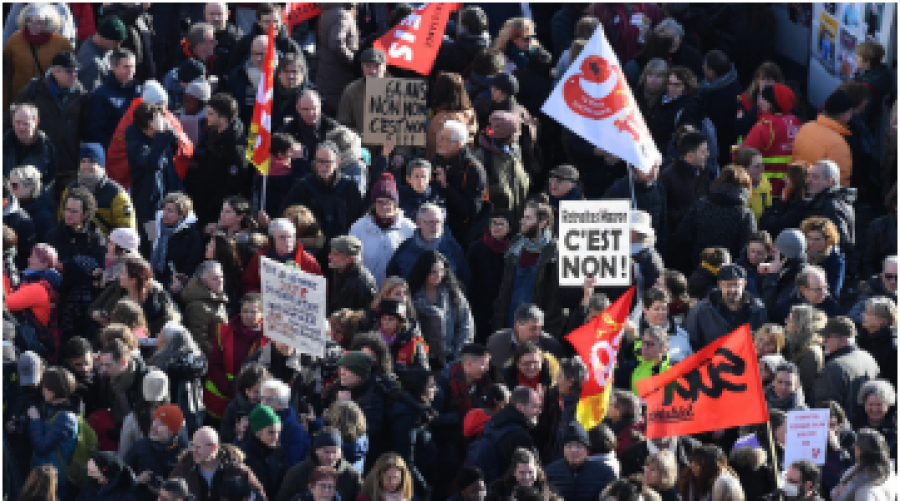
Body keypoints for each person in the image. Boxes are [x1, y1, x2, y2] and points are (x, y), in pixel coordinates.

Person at [12, 50, 88, 178]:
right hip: (37, 162)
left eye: (76, 71)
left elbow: (85, 130)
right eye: (69, 71)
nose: (74, 75)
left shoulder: (81, 96)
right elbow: (11, 121)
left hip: (68, 164)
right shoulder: (33, 91)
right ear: (55, 72)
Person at [278, 141, 364, 240]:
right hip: (311, 246)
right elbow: (285, 215)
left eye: (328, 162)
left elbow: (358, 220)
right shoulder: (302, 187)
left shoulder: (349, 187)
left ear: (337, 162)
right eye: (320, 162)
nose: (323, 166)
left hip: (341, 246)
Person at [677, 165, 757, 268]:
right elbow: (748, 250)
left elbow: (683, 237)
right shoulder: (745, 214)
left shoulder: (700, 206)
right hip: (730, 276)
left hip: (700, 268)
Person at [408, 250, 474, 367]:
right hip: (419, 360)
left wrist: (459, 354)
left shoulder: (453, 293)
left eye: (441, 271)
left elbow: (466, 325)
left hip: (450, 357)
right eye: (434, 272)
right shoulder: (411, 295)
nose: (438, 275)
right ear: (424, 271)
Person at [204, 294, 266, 421]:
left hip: (256, 401)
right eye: (245, 311)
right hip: (223, 400)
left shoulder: (269, 337)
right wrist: (230, 390)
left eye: (253, 312)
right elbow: (214, 364)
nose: (248, 315)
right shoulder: (225, 332)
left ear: (262, 314)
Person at [350, 173, 416, 289]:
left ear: (395, 204)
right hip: (367, 291)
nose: (384, 206)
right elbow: (351, 263)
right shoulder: (358, 227)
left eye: (388, 202)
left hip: (398, 292)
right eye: (380, 202)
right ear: (373, 204)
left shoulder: (409, 228)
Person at [125, 101, 184, 231]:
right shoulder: (136, 146)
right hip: (148, 209)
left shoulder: (158, 138)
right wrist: (160, 135)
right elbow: (153, 163)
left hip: (167, 199)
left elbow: (175, 148)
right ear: (145, 127)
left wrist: (169, 131)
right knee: (151, 241)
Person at [684, 264, 768, 351]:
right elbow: (690, 343)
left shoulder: (758, 309)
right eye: (728, 285)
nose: (732, 290)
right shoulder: (701, 309)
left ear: (744, 284)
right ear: (719, 284)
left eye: (736, 285)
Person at [3, 5, 75, 106]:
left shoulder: (62, 43)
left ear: (48, 23)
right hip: (19, 100)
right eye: (30, 21)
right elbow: (6, 75)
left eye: (38, 22)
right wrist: (4, 104)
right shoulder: (14, 40)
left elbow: (71, 74)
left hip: (49, 103)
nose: (33, 25)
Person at [59, 144, 136, 237]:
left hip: (106, 248)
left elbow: (127, 232)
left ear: (102, 166)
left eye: (92, 161)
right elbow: (61, 220)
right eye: (83, 161)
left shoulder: (116, 194)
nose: (86, 166)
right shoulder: (70, 189)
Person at [385, 203, 470, 288]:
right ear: (419, 223)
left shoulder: (453, 249)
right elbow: (391, 279)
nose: (435, 226)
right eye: (430, 222)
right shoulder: (405, 249)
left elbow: (464, 281)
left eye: (438, 222)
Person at [169, 426, 266, 501]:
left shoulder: (238, 471)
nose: (193, 450)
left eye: (198, 447)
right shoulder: (182, 471)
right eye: (192, 445)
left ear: (214, 448)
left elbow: (260, 496)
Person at [659, 131, 710, 272]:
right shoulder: (668, 177)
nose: (708, 155)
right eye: (703, 151)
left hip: (698, 241)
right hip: (678, 247)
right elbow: (663, 212)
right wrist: (688, 216)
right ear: (689, 155)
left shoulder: (703, 172)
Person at [90, 255, 181, 334]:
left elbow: (168, 323)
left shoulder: (155, 303)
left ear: (133, 280)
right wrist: (96, 315)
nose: (118, 275)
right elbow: (92, 308)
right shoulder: (116, 288)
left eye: (123, 273)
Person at [741, 83, 802, 196]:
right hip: (790, 190)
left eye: (763, 99)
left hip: (765, 190)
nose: (759, 103)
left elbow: (742, 157)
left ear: (772, 104)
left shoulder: (765, 127)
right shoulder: (797, 123)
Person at [26, 366, 79, 496]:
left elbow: (42, 447)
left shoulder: (66, 418)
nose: (42, 390)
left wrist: (35, 420)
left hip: (57, 482)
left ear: (52, 392)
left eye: (44, 387)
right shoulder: (50, 409)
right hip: (44, 478)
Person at [4, 243, 63, 360]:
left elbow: (5, 304)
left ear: (45, 263)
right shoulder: (43, 282)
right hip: (40, 341)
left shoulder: (37, 288)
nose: (29, 259)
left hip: (32, 344)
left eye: (34, 257)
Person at [147, 322, 207, 435]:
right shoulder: (195, 362)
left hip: (167, 419)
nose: (157, 335)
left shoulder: (163, 365)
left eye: (161, 334)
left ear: (168, 342)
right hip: (194, 415)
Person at [814, 317, 880, 419]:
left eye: (827, 337)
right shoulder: (869, 357)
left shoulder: (833, 368)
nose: (823, 341)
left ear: (844, 340)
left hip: (841, 430)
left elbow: (825, 410)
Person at [275, 427, 363, 501]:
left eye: (335, 452)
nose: (331, 457)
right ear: (316, 451)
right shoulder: (296, 474)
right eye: (326, 452)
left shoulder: (352, 475)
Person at [123, 404, 188, 501]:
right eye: (154, 420)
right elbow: (118, 479)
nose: (154, 425)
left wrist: (167, 489)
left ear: (172, 430)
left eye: (161, 423)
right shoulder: (140, 446)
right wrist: (136, 479)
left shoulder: (184, 453)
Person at [241, 218, 322, 294]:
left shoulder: (308, 261)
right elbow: (248, 286)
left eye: (290, 237)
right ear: (272, 240)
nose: (288, 241)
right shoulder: (259, 259)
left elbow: (319, 290)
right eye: (282, 237)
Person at [474, 110, 531, 217]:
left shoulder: (515, 150)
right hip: (496, 222)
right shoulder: (482, 156)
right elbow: (476, 191)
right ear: (504, 135)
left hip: (516, 215)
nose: (519, 135)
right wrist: (499, 191)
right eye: (515, 132)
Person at [278, 89, 339, 183]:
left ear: (321, 107)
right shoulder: (288, 130)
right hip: (297, 179)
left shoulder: (332, 128)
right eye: (305, 109)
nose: (310, 113)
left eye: (314, 108)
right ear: (297, 109)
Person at [544, 421, 616, 501]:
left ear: (587, 449)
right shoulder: (550, 472)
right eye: (569, 446)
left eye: (579, 445)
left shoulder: (605, 473)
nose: (573, 450)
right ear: (563, 449)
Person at [487, 304, 562, 379]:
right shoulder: (497, 342)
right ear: (517, 326)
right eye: (533, 328)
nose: (538, 333)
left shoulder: (551, 346)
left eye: (540, 328)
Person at [84, 48, 139, 149]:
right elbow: (94, 131)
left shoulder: (139, 92)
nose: (130, 71)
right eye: (126, 67)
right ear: (114, 67)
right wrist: (116, 148)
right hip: (114, 154)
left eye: (132, 67)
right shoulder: (101, 95)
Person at [537, 356, 587, 463]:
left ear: (571, 381)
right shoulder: (553, 397)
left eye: (559, 376)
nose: (556, 380)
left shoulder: (582, 407)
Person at [699, 50, 742, 166]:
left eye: (705, 66)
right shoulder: (736, 86)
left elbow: (715, 123)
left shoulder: (717, 95)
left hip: (721, 146)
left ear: (712, 73)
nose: (702, 67)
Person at [647, 66, 705, 153]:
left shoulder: (689, 108)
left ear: (686, 86)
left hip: (669, 156)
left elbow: (684, 140)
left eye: (677, 85)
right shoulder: (660, 100)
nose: (672, 88)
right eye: (670, 83)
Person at [830, 429, 898, 500]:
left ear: (860, 450)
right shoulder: (890, 474)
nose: (854, 448)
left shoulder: (864, 489)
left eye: (855, 445)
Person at [314, 4, 358, 114]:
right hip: (339, 73)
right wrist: (354, 61)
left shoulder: (327, 12)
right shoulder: (342, 15)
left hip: (327, 70)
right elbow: (336, 43)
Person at [759, 229, 811, 319]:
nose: (773, 253)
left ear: (784, 255)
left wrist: (772, 276)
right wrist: (761, 275)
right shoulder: (788, 268)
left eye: (776, 252)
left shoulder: (800, 277)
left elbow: (771, 308)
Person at [239, 404, 288, 499]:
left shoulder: (278, 452)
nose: (276, 437)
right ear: (257, 433)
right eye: (271, 432)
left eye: (278, 432)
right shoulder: (243, 456)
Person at [426, 72, 478, 159]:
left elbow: (432, 147)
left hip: (441, 164)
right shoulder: (471, 113)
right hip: (464, 162)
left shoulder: (441, 118)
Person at [3, 103, 58, 186]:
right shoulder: (3, 143)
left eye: (26, 124)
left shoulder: (46, 148)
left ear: (36, 122)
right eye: (17, 122)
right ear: (12, 122)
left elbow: (50, 182)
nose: (21, 127)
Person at [337, 48, 387, 136]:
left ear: (384, 67)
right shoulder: (351, 91)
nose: (372, 71)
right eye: (368, 66)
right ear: (362, 67)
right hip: (360, 145)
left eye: (376, 66)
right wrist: (361, 137)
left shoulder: (399, 90)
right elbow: (343, 124)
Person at [219, 363, 270, 446]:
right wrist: (236, 432)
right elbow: (224, 438)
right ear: (246, 391)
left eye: (261, 391)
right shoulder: (234, 407)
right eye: (255, 392)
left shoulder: (272, 406)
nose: (258, 396)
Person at [325, 235, 376, 314]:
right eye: (330, 252)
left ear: (349, 259)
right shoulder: (338, 269)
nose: (329, 256)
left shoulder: (363, 284)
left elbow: (365, 316)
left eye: (335, 254)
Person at [76, 16, 127, 92]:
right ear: (102, 38)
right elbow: (93, 97)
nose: (118, 46)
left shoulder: (101, 47)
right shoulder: (92, 64)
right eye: (116, 42)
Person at [487, 447, 556, 501]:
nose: (527, 477)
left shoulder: (546, 490)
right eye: (522, 472)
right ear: (514, 472)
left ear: (536, 471)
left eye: (530, 472)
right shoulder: (499, 492)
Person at [676, 444, 741, 501]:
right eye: (692, 461)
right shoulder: (688, 480)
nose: (692, 465)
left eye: (697, 463)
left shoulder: (726, 485)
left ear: (711, 467)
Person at [852, 380, 897, 458]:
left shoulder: (895, 427)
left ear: (888, 405)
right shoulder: (854, 425)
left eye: (879, 405)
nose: (875, 409)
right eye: (870, 404)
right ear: (864, 404)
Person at [858, 296, 898, 383]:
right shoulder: (861, 338)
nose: (863, 314)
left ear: (881, 321)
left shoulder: (893, 349)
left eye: (868, 313)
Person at [398, 159, 445, 224]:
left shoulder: (435, 197)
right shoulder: (399, 195)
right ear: (408, 179)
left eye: (423, 177)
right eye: (416, 177)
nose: (420, 181)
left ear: (429, 179)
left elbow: (442, 218)